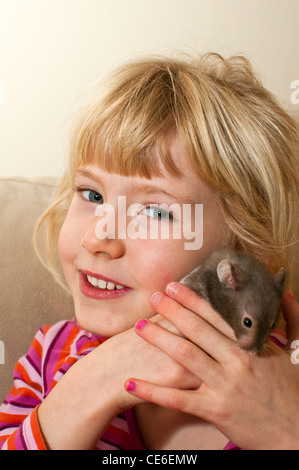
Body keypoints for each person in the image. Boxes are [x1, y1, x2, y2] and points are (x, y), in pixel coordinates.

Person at [1, 52, 299, 450]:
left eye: (156, 212)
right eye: (92, 194)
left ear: (246, 253)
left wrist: (285, 432)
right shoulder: (50, 358)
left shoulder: (286, 385)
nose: (97, 238)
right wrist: (95, 381)